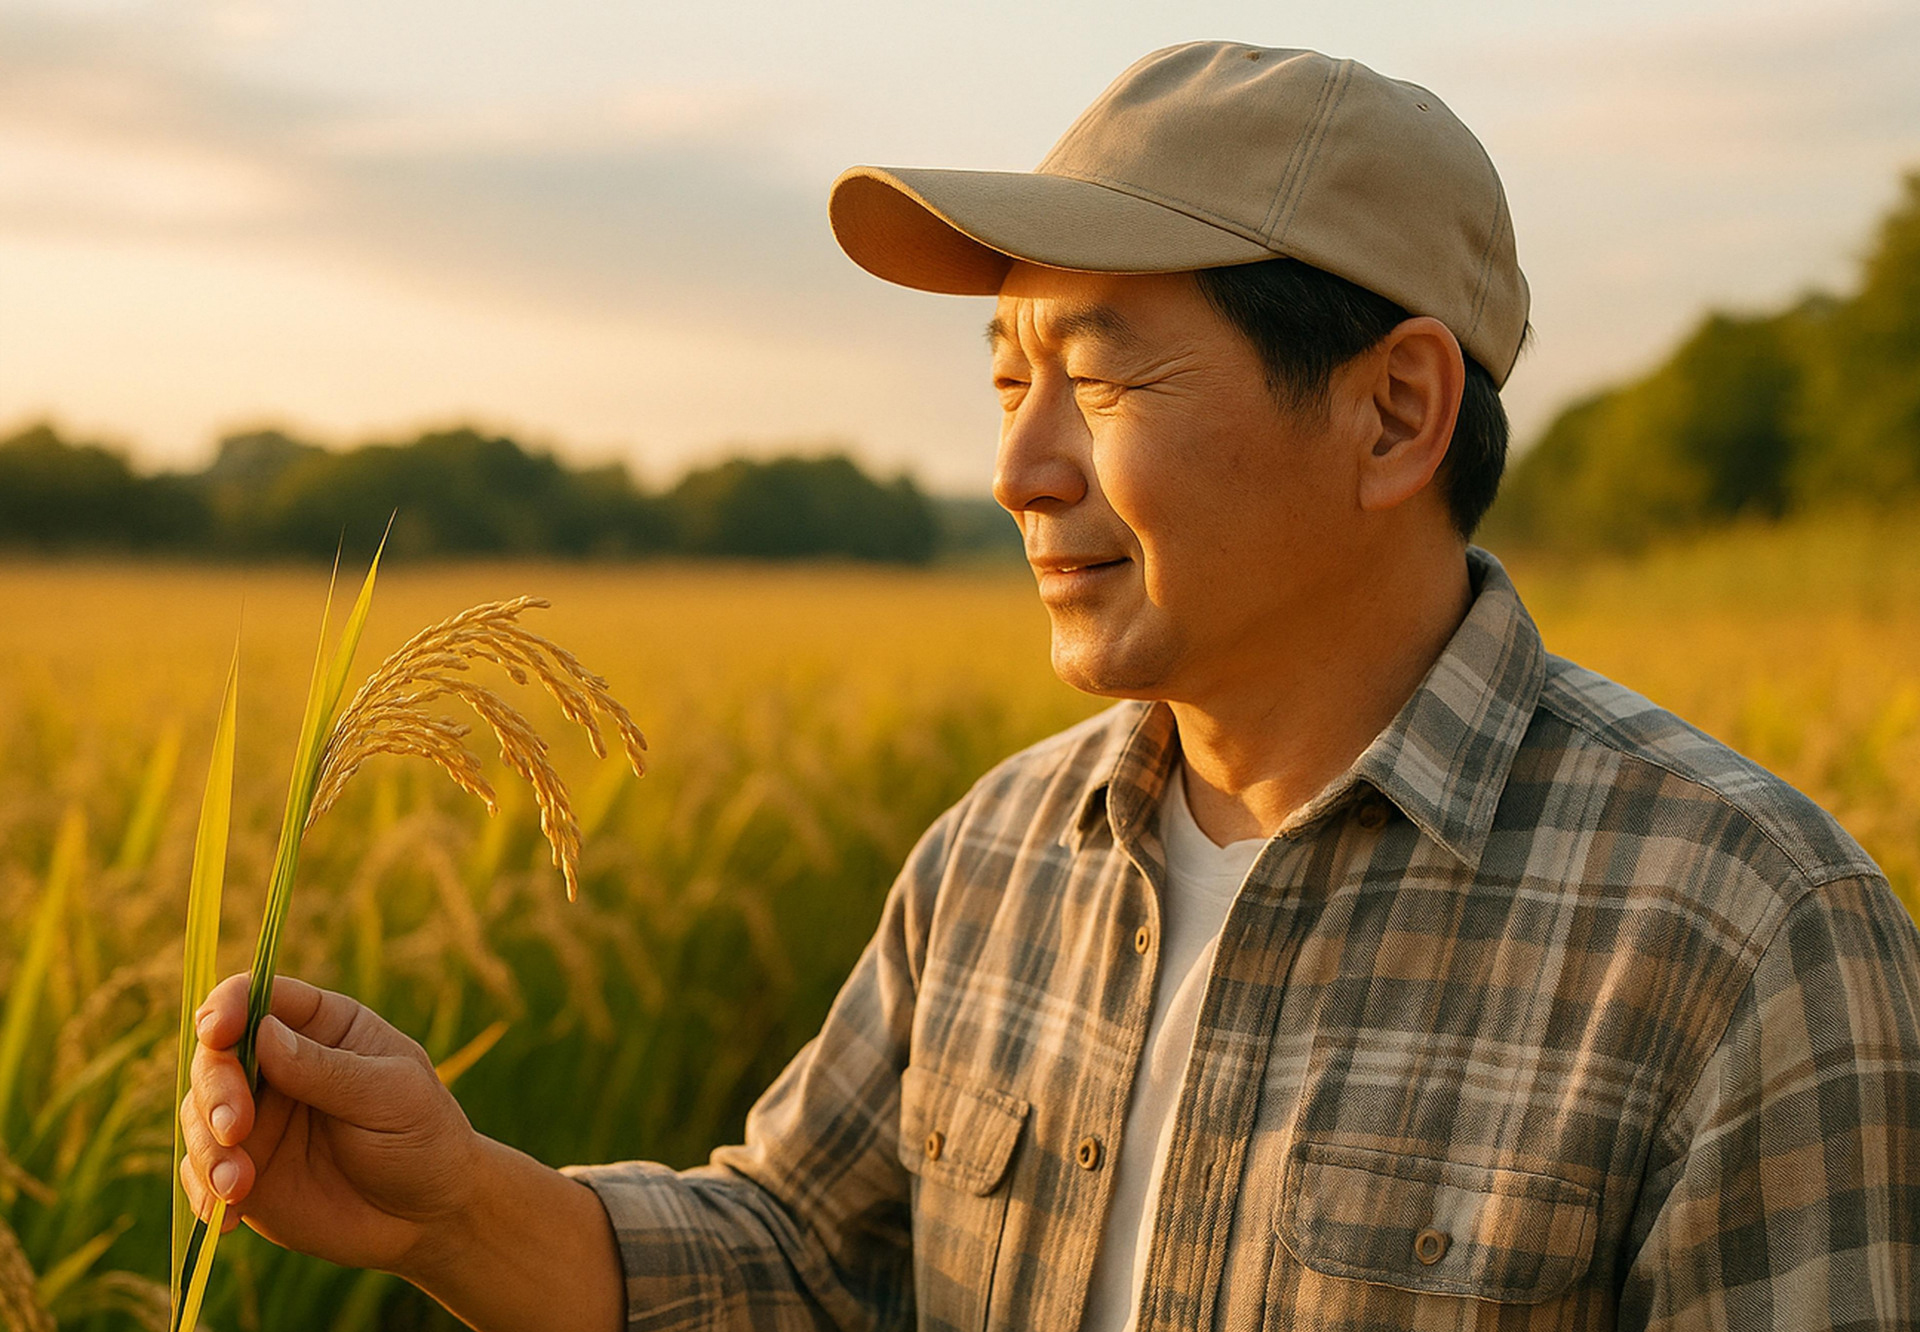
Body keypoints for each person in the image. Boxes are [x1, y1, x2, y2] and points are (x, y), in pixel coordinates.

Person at [180, 42, 1920, 1331]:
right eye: (1004, 377)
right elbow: (808, 1258)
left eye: (1097, 379)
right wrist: (454, 1207)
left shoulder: (1744, 936)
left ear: (1395, 412)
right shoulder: (999, 857)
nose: (1019, 468)